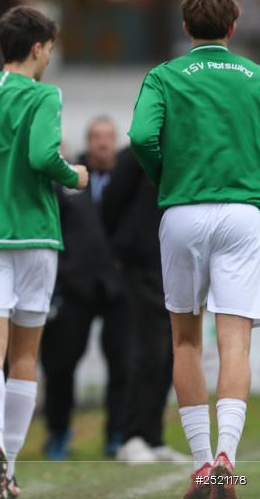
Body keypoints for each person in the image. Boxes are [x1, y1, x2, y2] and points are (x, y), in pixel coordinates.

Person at [0, 6, 88, 499]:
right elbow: (44, 156)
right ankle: (9, 472)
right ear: (37, 48)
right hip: (36, 237)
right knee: (26, 357)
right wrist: (76, 176)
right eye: (49, 48)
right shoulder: (45, 94)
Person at [129, 0, 260, 499]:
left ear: (187, 29)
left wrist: (167, 178)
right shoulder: (255, 77)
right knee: (235, 340)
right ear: (232, 27)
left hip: (182, 210)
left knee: (186, 338)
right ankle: (229, 453)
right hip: (243, 211)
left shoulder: (165, 75)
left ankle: (203, 464)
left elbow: (141, 137)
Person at [41, 117, 129, 460]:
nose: (102, 144)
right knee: (60, 364)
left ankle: (117, 435)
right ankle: (59, 433)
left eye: (108, 137)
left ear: (116, 141)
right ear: (88, 142)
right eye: (96, 137)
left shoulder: (130, 178)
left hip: (119, 288)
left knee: (123, 362)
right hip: (74, 287)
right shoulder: (68, 179)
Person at [102, 146, 185, 463]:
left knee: (170, 354)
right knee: (147, 350)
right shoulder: (135, 152)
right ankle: (131, 436)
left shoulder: (187, 148)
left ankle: (153, 437)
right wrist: (123, 249)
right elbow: (109, 206)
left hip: (175, 264)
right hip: (141, 265)